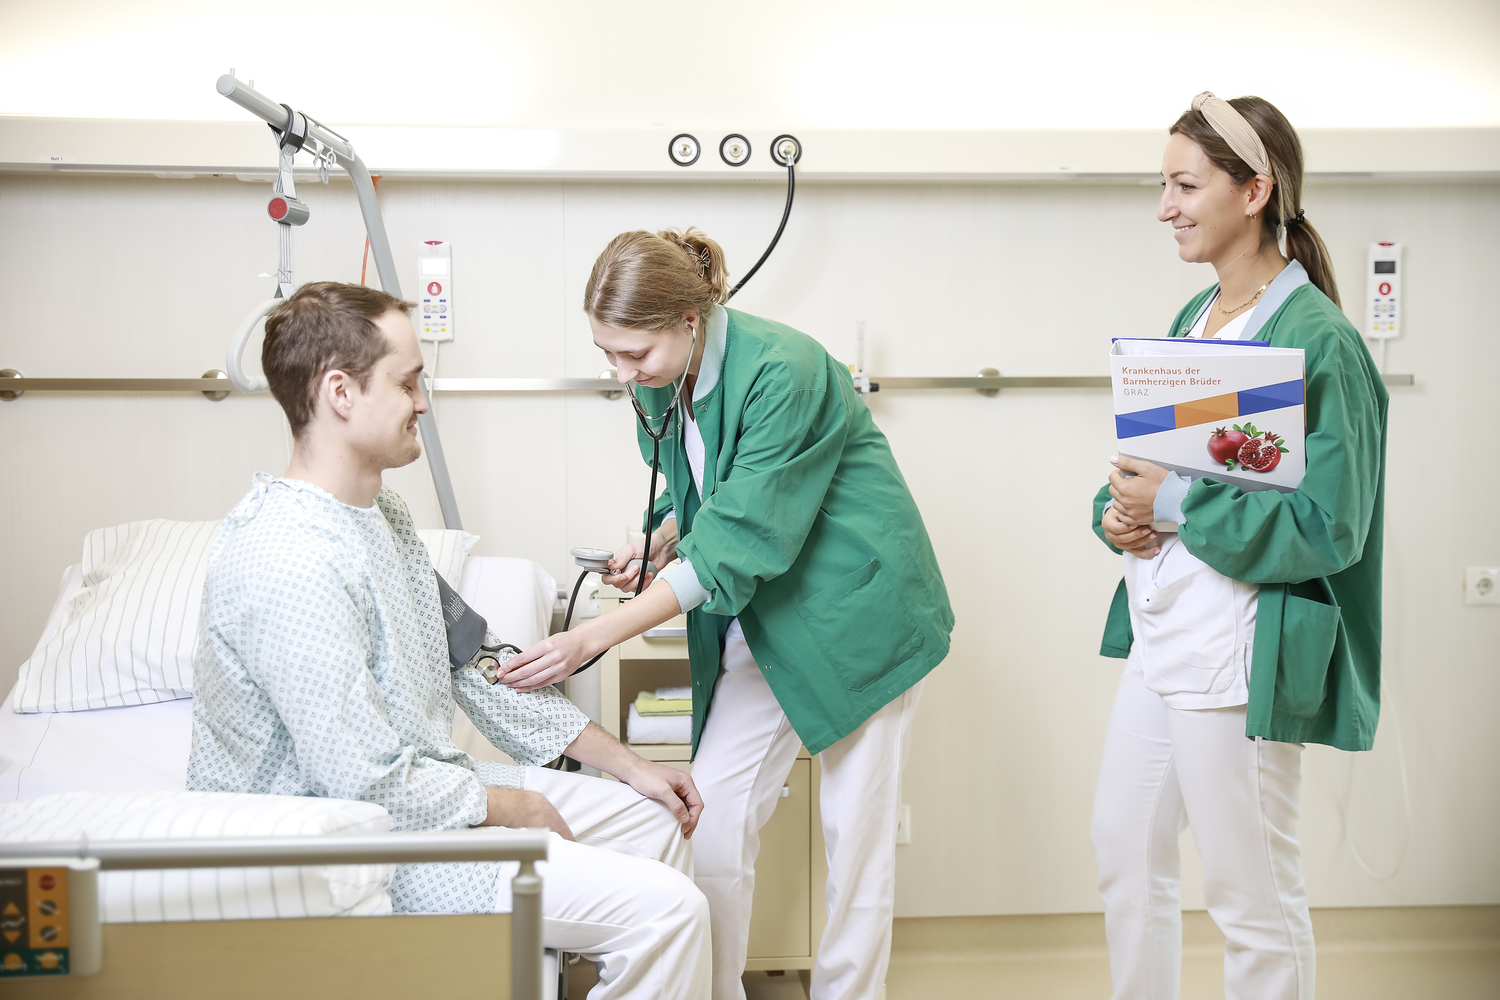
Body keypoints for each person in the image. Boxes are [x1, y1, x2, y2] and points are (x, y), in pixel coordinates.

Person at [186, 281, 711, 1000]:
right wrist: (516, 809)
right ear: (341, 393)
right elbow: (363, 782)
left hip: (432, 790)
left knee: (655, 820)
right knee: (671, 914)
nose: (424, 403)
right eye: (408, 383)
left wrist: (629, 766)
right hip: (352, 841)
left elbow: (478, 662)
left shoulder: (382, 513)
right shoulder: (288, 559)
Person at [499, 229, 954, 1000]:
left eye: (633, 354)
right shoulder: (660, 378)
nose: (623, 373)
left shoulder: (789, 371)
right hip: (765, 616)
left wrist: (592, 637)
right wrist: (658, 538)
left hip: (857, 616)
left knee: (856, 844)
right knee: (707, 821)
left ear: (689, 319)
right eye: (607, 354)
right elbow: (705, 489)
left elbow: (741, 536)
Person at [1091, 93, 1387, 1000]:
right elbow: (1156, 464)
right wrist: (1118, 511)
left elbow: (1329, 525)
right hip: (1166, 634)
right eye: (1165, 186)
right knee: (1124, 852)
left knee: (1251, 897)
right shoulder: (1199, 317)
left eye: (1185, 186)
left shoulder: (1318, 341)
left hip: (1240, 647)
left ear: (1254, 190)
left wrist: (1174, 504)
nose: (1165, 207)